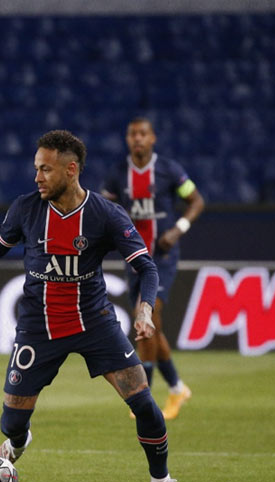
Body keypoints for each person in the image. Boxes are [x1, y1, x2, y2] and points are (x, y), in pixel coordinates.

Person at [0, 130, 198, 482]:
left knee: (144, 403)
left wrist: (144, 308)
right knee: (11, 423)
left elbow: (146, 267)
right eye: (36, 169)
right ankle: (17, 441)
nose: (37, 177)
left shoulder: (105, 215)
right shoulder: (26, 209)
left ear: (71, 169)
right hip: (39, 327)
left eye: (45, 169)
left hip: (95, 323)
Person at [101, 117, 205, 421]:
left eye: (143, 134)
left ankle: (143, 395)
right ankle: (177, 387)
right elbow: (104, 209)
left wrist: (178, 229)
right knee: (151, 325)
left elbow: (196, 201)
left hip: (162, 257)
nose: (137, 139)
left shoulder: (170, 170)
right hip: (133, 256)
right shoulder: (118, 173)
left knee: (147, 317)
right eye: (132, 134)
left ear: (153, 138)